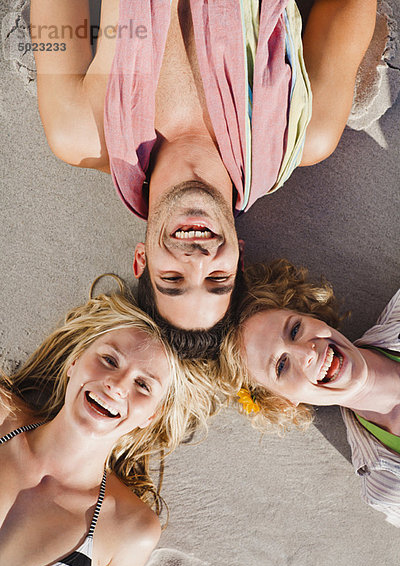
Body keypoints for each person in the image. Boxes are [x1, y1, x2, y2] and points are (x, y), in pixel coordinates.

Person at [30, 0, 376, 341]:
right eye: (217, 279)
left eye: (173, 280)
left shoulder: (83, 130)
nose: (197, 261)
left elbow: (53, 20)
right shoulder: (303, 131)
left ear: (141, 259)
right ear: (238, 259)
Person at [0, 283, 219, 566]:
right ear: (74, 361)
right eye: (109, 360)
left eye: (143, 385)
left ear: (150, 417)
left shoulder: (130, 529)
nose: (116, 386)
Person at [220, 259, 400, 526]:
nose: (307, 353)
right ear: (283, 403)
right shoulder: (387, 487)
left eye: (295, 329)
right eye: (281, 366)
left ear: (310, 315)